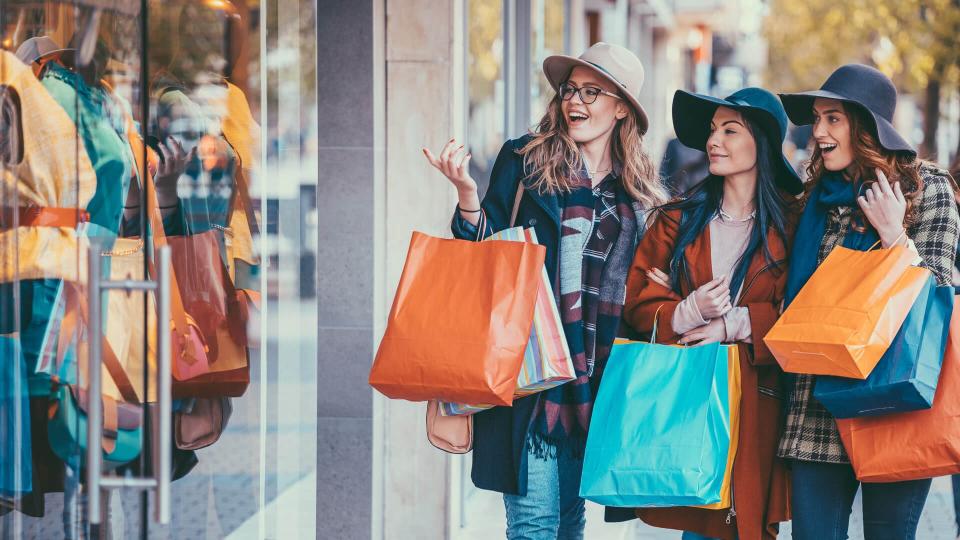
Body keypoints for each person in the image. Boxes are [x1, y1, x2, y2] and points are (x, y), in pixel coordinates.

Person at [422, 42, 667, 539]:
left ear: (622, 108)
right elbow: (483, 248)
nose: (576, 101)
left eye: (592, 92)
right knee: (534, 524)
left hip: (596, 380)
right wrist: (468, 196)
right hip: (529, 371)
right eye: (570, 90)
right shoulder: (527, 160)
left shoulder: (638, 194)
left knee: (569, 522)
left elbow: (643, 288)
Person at [776, 63, 960, 540]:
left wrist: (894, 234)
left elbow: (937, 290)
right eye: (816, 119)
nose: (817, 132)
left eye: (832, 119)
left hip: (893, 399)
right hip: (817, 402)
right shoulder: (813, 196)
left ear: (867, 126)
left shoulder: (927, 188)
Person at [620, 87, 801, 539]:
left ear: (760, 142)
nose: (713, 141)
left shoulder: (793, 228)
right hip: (689, 402)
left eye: (729, 130)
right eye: (712, 131)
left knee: (746, 524)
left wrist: (733, 323)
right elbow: (636, 299)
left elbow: (804, 314)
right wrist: (686, 309)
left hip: (758, 408)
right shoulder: (676, 220)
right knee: (700, 527)